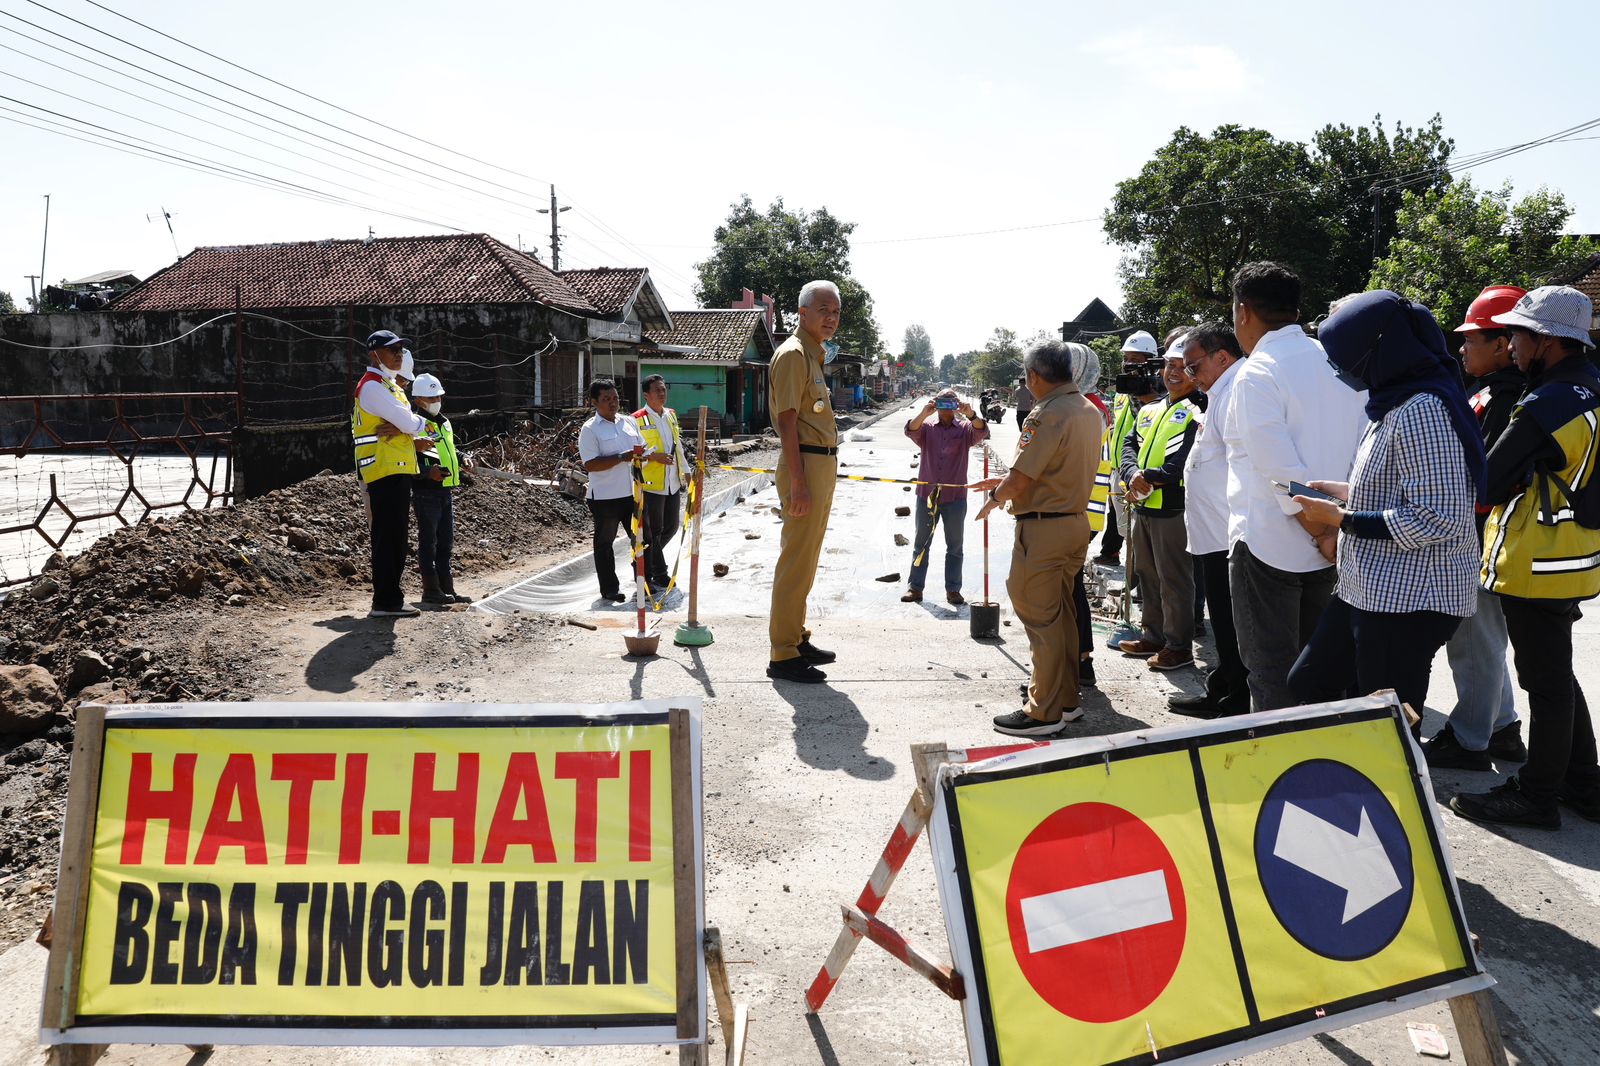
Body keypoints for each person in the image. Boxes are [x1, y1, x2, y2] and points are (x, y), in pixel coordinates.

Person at [1285, 291, 1482, 719]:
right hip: (1371, 586)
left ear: (1376, 350)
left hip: (1409, 598)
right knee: (1310, 684)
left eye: (1343, 355)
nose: (1337, 367)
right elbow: (1408, 488)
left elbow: (1440, 516)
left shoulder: (1422, 409)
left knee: (1386, 723)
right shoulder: (1392, 400)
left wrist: (1342, 519)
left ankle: (1392, 788)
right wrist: (1350, 491)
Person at [1452, 286, 1600, 829]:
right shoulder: (1589, 388)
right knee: (1556, 678)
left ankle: (1538, 795)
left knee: (1547, 685)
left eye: (1517, 334)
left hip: (1537, 561)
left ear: (1546, 341)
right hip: (1572, 555)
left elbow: (1488, 476)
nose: (1510, 344)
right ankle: (1584, 784)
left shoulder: (1546, 403)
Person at [1221, 262, 1369, 711]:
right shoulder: (1336, 360)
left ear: (1243, 311)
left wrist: (1321, 530)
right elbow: (1362, 448)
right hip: (1332, 542)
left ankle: (1277, 771)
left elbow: (1280, 471)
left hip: (1273, 544)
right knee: (1319, 670)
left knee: (1270, 672)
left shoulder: (1257, 371)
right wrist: (1333, 531)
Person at [975, 340, 1104, 736]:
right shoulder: (1087, 409)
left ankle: (1043, 710)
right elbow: (1053, 469)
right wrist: (1006, 483)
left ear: (1033, 376)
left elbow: (1024, 476)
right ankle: (1065, 700)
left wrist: (997, 497)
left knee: (1040, 618)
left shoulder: (1045, 414)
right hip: (1073, 522)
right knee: (1062, 615)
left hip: (1044, 528)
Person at [1425, 286, 1530, 770]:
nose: (1462, 347)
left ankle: (1470, 740)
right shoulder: (1488, 387)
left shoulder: (1509, 394)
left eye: (1474, 338)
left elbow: (1485, 473)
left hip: (1480, 535)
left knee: (1472, 641)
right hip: (1475, 532)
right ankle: (1503, 727)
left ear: (1503, 342)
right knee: (1481, 639)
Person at [1170, 321, 1250, 717]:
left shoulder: (1238, 389)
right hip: (1212, 533)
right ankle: (1225, 687)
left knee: (1230, 623)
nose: (1189, 375)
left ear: (1222, 356)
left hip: (1227, 533)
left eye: (1193, 365)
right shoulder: (1220, 391)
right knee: (1221, 620)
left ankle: (1234, 698)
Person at [767, 280, 843, 684]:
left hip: (820, 465)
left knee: (808, 558)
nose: (830, 318)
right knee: (796, 559)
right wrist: (798, 483)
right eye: (823, 310)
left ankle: (796, 637)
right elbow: (787, 422)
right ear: (803, 312)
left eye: (835, 312)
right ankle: (782, 653)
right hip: (805, 467)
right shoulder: (794, 355)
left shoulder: (814, 357)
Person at [1118, 337, 1202, 671]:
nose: (1174, 372)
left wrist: (1149, 477)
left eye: (1183, 367)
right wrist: (1132, 473)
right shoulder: (1151, 409)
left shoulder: (1199, 409)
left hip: (1174, 509)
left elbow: (1182, 461)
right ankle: (1152, 636)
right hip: (1143, 506)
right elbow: (1127, 444)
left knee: (1175, 580)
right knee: (1147, 574)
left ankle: (1178, 646)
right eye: (1170, 365)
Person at [351, 329, 431, 618]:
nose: (398, 354)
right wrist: (410, 425)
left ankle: (390, 599)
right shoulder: (373, 387)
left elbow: (409, 423)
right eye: (391, 349)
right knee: (388, 538)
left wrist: (408, 425)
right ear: (375, 354)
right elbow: (411, 423)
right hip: (382, 469)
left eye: (400, 349)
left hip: (394, 468)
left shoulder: (387, 385)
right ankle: (386, 601)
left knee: (396, 537)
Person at [902, 387, 989, 605]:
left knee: (955, 546)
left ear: (956, 406)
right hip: (927, 495)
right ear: (936, 405)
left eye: (951, 404)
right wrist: (924, 413)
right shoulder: (928, 429)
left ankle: (953, 590)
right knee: (921, 543)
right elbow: (911, 430)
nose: (946, 409)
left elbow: (981, 431)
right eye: (942, 404)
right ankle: (915, 588)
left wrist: (970, 413)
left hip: (955, 497)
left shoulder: (965, 430)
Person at [577, 378, 646, 604]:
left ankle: (644, 581)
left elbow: (641, 450)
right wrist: (620, 458)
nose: (612, 403)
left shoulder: (629, 422)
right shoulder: (590, 429)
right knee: (605, 544)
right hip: (606, 497)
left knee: (641, 539)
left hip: (632, 493)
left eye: (615, 398)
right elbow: (591, 464)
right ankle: (609, 589)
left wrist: (640, 455)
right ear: (594, 402)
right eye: (606, 399)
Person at [1096, 330, 1160, 568]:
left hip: (1137, 470)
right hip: (1117, 466)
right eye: (1126, 358)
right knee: (1120, 520)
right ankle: (1122, 562)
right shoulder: (1124, 392)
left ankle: (1140, 578)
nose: (1129, 364)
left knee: (1137, 528)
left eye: (1136, 359)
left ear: (1150, 359)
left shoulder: (1155, 392)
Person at [410, 372, 470, 606]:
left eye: (438, 397)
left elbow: (448, 450)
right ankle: (431, 589)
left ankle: (447, 589)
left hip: (445, 490)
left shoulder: (443, 423)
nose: (436, 402)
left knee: (445, 542)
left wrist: (463, 458)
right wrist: (427, 474)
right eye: (431, 398)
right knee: (429, 542)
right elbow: (407, 458)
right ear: (418, 401)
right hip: (426, 491)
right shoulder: (415, 425)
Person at [633, 374, 691, 596]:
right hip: (651, 484)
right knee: (654, 531)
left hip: (672, 482)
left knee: (671, 527)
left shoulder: (671, 416)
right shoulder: (637, 419)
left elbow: (678, 448)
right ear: (646, 394)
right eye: (657, 389)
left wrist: (686, 471)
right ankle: (659, 573)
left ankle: (644, 560)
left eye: (664, 388)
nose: (662, 393)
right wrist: (653, 457)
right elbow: (635, 453)